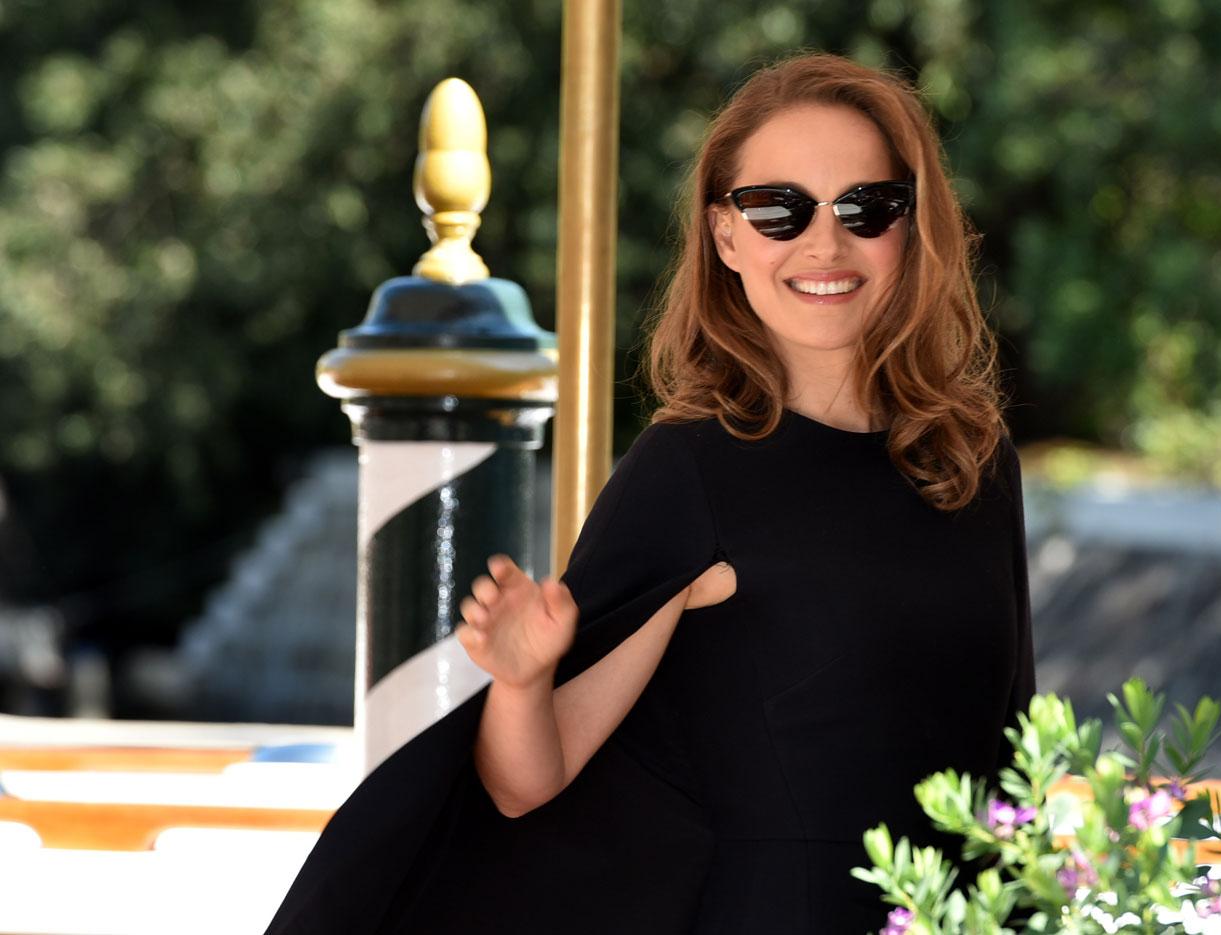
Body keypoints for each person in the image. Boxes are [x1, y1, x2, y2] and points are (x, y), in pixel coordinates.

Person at [266, 51, 1033, 935]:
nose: (826, 244)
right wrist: (521, 679)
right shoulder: (693, 470)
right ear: (726, 236)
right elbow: (526, 784)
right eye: (778, 210)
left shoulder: (972, 457)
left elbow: (1016, 750)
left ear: (913, 224)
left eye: (868, 207)